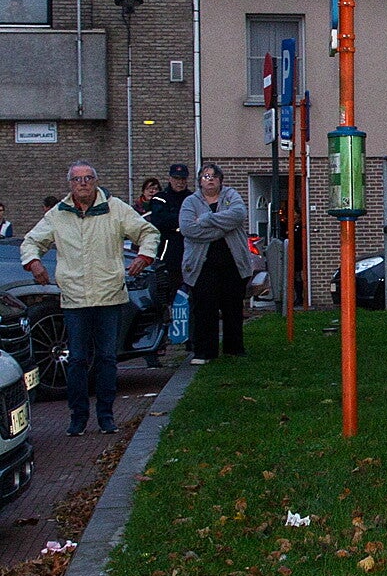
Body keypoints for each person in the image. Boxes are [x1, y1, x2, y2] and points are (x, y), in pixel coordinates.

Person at [19, 161, 161, 435]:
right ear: (70, 184)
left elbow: (148, 232)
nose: (82, 183)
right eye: (77, 179)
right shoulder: (58, 214)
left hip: (109, 296)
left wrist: (144, 257)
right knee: (77, 360)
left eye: (87, 178)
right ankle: (78, 418)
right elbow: (31, 241)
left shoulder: (115, 208)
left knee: (107, 359)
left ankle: (106, 417)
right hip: (75, 299)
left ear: (95, 182)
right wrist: (34, 263)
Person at [180, 164, 251, 364]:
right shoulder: (190, 202)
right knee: (205, 308)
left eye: (213, 176)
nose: (210, 179)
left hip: (232, 263)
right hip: (202, 266)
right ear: (200, 181)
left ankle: (234, 349)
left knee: (233, 307)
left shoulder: (231, 196)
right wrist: (222, 229)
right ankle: (204, 352)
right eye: (205, 176)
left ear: (220, 179)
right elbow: (188, 229)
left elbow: (238, 215)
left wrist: (206, 219)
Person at [145, 163, 195, 294]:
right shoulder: (160, 198)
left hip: (189, 245)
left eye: (183, 179)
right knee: (169, 286)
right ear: (170, 179)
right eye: (176, 178)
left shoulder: (193, 198)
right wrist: (184, 219)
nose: (180, 182)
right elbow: (159, 221)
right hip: (168, 248)